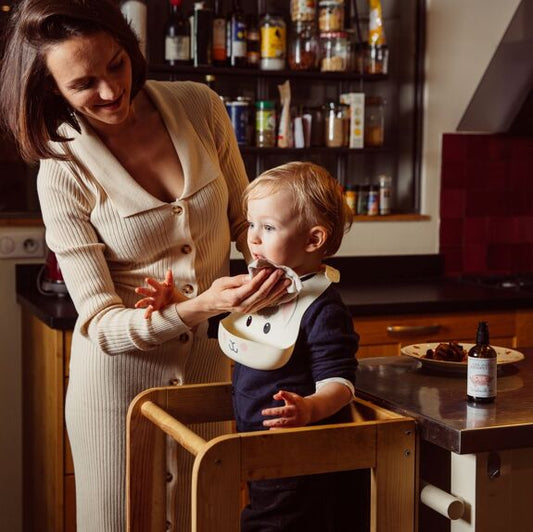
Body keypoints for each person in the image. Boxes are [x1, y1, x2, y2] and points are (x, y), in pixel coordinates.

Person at [0, 1, 289, 530]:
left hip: (209, 376)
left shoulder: (200, 106)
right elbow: (100, 323)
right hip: (117, 399)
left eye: (116, 64)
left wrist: (271, 268)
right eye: (84, 84)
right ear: (51, 91)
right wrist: (199, 306)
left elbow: (250, 222)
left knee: (211, 518)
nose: (111, 91)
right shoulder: (61, 170)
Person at [138, 161, 362, 531]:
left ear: (314, 239)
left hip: (296, 450)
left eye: (268, 227)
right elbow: (221, 324)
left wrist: (308, 408)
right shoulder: (263, 286)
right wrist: (176, 301)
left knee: (272, 523)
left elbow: (341, 383)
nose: (253, 238)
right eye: (251, 223)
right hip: (254, 442)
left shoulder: (323, 308)